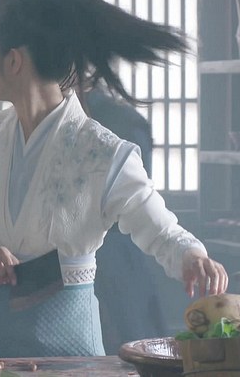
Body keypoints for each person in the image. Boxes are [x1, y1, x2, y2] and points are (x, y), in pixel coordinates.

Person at [0, 0, 229, 359]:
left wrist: (193, 257)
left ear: (14, 61)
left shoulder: (103, 153)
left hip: (66, 349)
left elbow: (161, 231)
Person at [83, 84, 170, 353]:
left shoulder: (123, 122)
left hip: (117, 250)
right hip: (92, 253)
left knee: (131, 338)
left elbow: (138, 198)